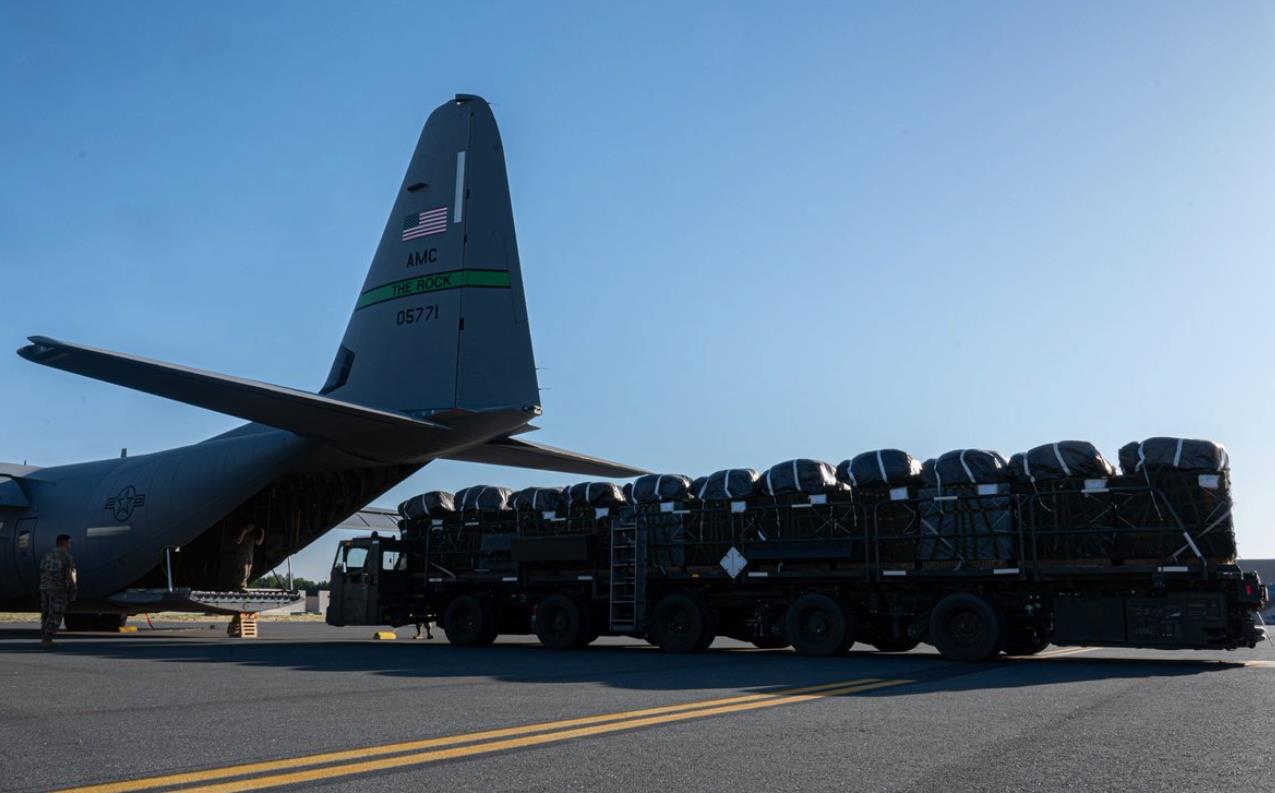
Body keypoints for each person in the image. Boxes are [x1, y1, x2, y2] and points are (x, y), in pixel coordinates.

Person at [39, 534, 77, 649]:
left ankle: (44, 635)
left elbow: (41, 570)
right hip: (58, 589)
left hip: (45, 588)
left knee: (46, 612)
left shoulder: (47, 556)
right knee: (56, 613)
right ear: (65, 543)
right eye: (69, 543)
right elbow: (72, 575)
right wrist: (73, 589)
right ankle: (48, 638)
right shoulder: (67, 557)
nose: (70, 545)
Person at [234, 524, 265, 591]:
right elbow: (238, 541)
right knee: (244, 572)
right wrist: (245, 531)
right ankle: (241, 587)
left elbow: (259, 543)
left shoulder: (252, 535)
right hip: (242, 555)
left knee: (248, 573)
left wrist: (262, 533)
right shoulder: (243, 533)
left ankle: (240, 587)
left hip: (249, 556)